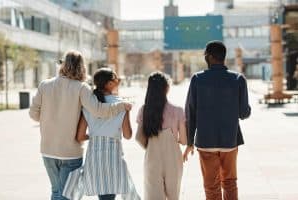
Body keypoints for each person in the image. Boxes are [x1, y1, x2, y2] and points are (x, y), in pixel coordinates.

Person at [29, 50, 131, 200]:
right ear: (81, 67)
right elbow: (98, 111)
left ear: (63, 65)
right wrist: (122, 106)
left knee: (56, 191)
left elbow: (33, 114)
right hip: (70, 152)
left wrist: (51, 120)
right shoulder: (81, 88)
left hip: (48, 150)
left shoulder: (45, 85)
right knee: (67, 195)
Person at [183, 41, 251, 200]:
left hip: (206, 142)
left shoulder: (197, 79)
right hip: (230, 141)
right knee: (230, 183)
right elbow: (243, 113)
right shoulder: (238, 79)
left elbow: (190, 112)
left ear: (209, 56)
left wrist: (189, 142)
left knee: (211, 186)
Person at [62, 68, 140, 200]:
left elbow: (80, 136)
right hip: (113, 157)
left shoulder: (90, 104)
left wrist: (95, 135)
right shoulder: (122, 105)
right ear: (109, 84)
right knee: (109, 195)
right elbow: (127, 135)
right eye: (116, 78)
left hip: (94, 158)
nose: (119, 80)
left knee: (103, 195)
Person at [136, 72, 187, 200]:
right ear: (167, 88)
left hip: (152, 157)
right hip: (173, 158)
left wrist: (150, 147)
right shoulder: (178, 111)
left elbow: (138, 137)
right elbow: (184, 140)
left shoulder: (144, 110)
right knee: (173, 195)